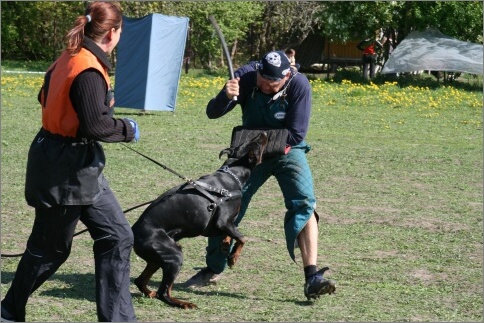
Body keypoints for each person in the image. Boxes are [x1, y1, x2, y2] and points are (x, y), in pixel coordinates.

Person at [1, 2, 138, 322]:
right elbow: (97, 127)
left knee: (117, 237)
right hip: (64, 169)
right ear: (114, 32)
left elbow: (44, 97)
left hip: (77, 164)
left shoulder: (70, 56)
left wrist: (93, 105)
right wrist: (128, 129)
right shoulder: (88, 66)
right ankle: (8, 310)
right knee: (51, 249)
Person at [183, 51, 336, 300]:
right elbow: (212, 112)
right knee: (223, 204)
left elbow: (296, 134)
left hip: (287, 149)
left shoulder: (299, 84)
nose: (264, 85)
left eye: (271, 83)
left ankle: (312, 277)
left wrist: (264, 144)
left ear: (286, 76)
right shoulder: (245, 77)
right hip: (249, 148)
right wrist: (226, 96)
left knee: (305, 202)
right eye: (261, 79)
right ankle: (213, 268)